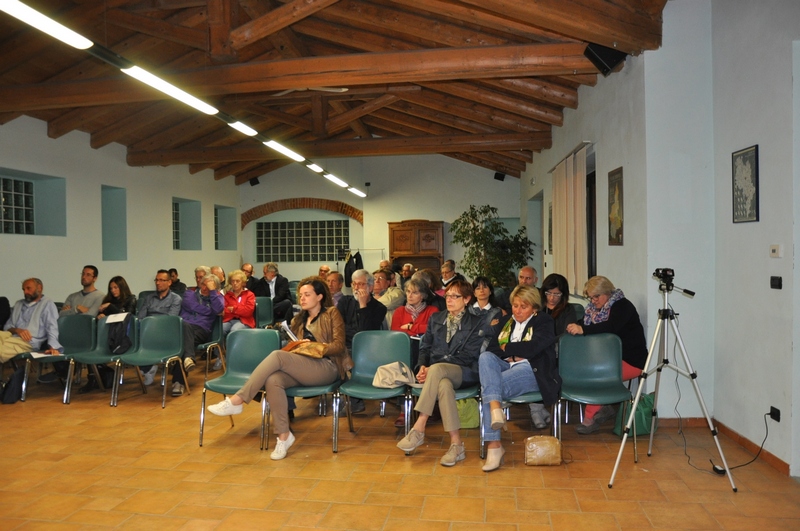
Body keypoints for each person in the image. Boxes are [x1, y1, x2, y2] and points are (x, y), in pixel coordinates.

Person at [207, 277, 350, 461]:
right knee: (273, 380)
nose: (302, 298)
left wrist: (313, 346)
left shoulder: (331, 313)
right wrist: (298, 346)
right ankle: (284, 436)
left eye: (307, 295)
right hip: (304, 367)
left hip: (327, 367)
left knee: (277, 355)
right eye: (300, 295)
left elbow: (339, 346)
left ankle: (238, 400)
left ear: (320, 296)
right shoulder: (299, 320)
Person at [396, 280, 486, 467]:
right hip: (438, 374)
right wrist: (422, 367)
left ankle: (419, 426)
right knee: (443, 385)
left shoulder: (477, 323)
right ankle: (456, 445)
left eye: (455, 296)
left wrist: (432, 369)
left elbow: (468, 357)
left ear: (467, 299)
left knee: (437, 370)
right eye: (448, 296)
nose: (449, 300)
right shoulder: (437, 319)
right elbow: (425, 347)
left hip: (465, 372)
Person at [479, 285, 560, 471]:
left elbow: (533, 349)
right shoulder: (506, 320)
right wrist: (516, 351)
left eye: (523, 307)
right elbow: (491, 349)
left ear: (534, 307)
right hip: (506, 366)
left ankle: (494, 447)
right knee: (485, 358)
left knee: (489, 389)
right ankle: (495, 410)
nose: (518, 311)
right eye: (515, 306)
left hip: (533, 370)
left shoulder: (544, 321)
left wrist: (508, 349)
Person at [566, 275, 647, 434]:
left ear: (608, 292)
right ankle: (604, 408)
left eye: (596, 296)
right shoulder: (594, 309)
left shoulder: (623, 306)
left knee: (595, 376)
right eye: (590, 297)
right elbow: (586, 323)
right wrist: (576, 325)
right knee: (585, 370)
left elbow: (610, 327)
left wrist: (583, 330)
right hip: (609, 359)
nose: (593, 300)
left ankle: (590, 418)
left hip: (632, 361)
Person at [390, 277, 440, 427]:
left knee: (422, 357)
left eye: (415, 292)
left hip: (427, 351)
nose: (410, 295)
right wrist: (418, 328)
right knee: (403, 360)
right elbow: (396, 332)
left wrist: (411, 326)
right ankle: (404, 409)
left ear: (423, 295)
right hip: (404, 350)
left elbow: (431, 330)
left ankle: (429, 407)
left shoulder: (433, 311)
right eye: (408, 292)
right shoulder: (399, 311)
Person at [336, 269, 386, 415]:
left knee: (349, 356)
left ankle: (354, 401)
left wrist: (363, 306)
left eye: (361, 284)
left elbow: (364, 335)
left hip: (367, 349)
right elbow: (338, 327)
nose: (357, 288)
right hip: (344, 345)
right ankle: (350, 399)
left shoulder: (379, 308)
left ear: (370, 287)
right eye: (354, 284)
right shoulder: (345, 302)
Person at [173, 273, 224, 396]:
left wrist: (212, 293)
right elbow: (189, 305)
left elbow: (219, 310)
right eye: (203, 284)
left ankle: (178, 382)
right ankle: (188, 360)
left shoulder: (217, 297)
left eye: (209, 285)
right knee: (184, 328)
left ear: (215, 287)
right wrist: (209, 311)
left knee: (183, 341)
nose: (204, 287)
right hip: (182, 328)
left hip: (201, 330)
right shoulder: (190, 293)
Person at [138, 270, 183, 385]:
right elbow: (141, 317)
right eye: (156, 280)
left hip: (165, 331)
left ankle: (148, 367)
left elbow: (170, 320)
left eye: (161, 280)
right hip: (147, 330)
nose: (158, 283)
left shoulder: (175, 299)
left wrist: (151, 325)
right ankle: (148, 367)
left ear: (169, 282)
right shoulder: (149, 298)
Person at [1, 278, 61, 363]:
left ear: (39, 288)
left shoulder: (47, 304)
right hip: (10, 336)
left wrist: (53, 348)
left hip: (27, 342)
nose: (25, 292)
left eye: (28, 288)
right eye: (24, 289)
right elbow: (7, 326)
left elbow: (52, 327)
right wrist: (17, 330)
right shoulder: (19, 304)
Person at [469, 276, 502, 349]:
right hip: (468, 343)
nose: (482, 290)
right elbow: (465, 330)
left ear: (490, 291)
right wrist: (487, 325)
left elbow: (493, 332)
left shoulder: (496, 311)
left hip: (486, 345)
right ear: (474, 293)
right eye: (478, 288)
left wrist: (475, 328)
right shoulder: (468, 310)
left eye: (485, 287)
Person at [540, 273, 577, 337]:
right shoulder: (538, 306)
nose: (551, 298)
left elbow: (566, 335)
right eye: (548, 293)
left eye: (556, 294)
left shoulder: (568, 309)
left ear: (563, 294)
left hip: (557, 344)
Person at [222, 270, 256, 337]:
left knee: (234, 330)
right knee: (220, 329)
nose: (235, 283)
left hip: (245, 321)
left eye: (237, 281)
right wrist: (240, 309)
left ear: (243, 283)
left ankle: (232, 347)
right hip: (229, 320)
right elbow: (224, 311)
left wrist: (234, 309)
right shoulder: (227, 295)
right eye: (233, 281)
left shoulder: (250, 295)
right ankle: (221, 347)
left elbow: (248, 311)